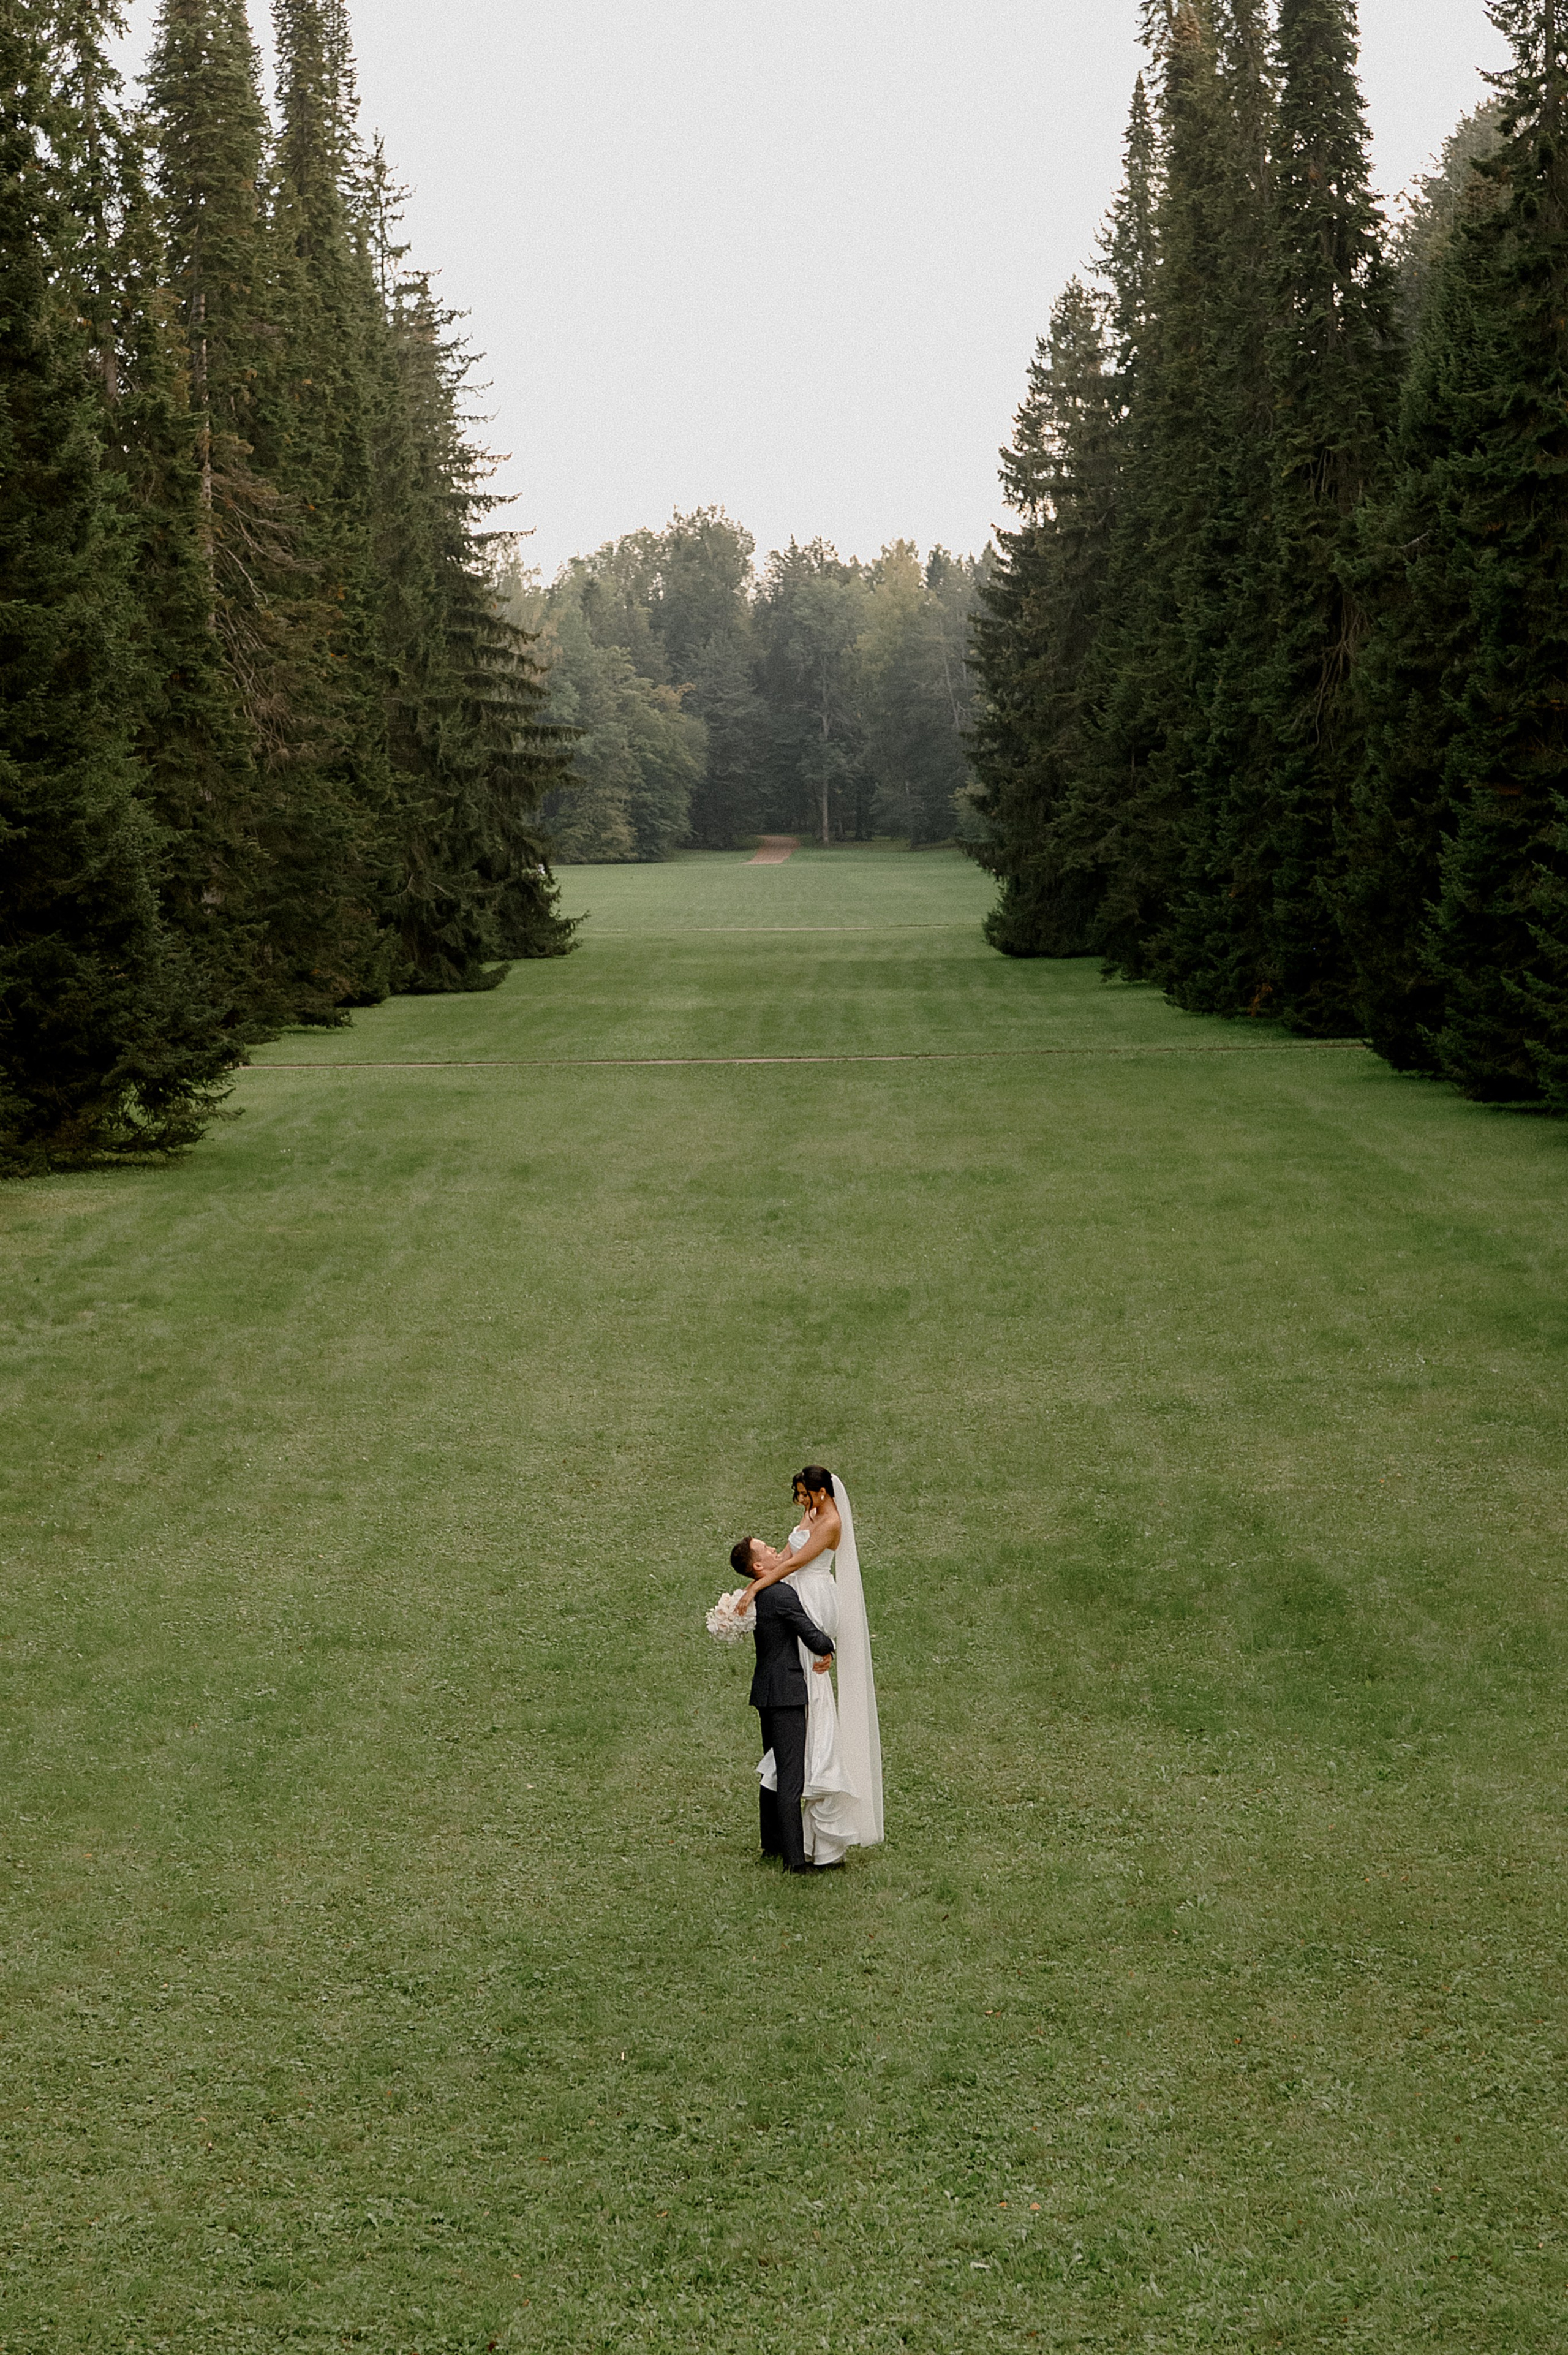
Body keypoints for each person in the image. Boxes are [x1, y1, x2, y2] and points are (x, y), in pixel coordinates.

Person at [737, 1466, 883, 1858]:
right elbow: (783, 1554)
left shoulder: (831, 1523)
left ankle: (815, 1777)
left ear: (821, 1493)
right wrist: (762, 1579)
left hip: (813, 1593)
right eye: (798, 1495)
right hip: (794, 1590)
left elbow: (791, 1564)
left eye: (805, 1495)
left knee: (814, 1687)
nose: (801, 1502)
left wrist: (755, 1587)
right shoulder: (813, 1513)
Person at [729, 1537, 834, 1873]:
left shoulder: (761, 1594)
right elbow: (812, 1635)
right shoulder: (780, 1595)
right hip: (787, 1694)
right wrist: (830, 1645)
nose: (776, 1550)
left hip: (765, 1690)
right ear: (758, 1566)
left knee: (772, 1768)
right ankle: (794, 1860)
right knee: (791, 1775)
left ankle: (772, 1844)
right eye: (768, 1550)